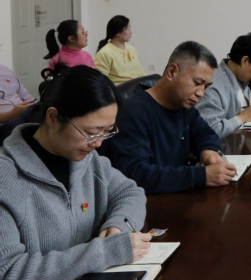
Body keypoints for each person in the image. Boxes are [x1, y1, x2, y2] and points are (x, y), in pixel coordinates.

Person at [0, 65, 151, 280]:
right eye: (91, 132)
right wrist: (104, 252)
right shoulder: (6, 179)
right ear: (53, 117)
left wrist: (118, 227)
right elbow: (9, 271)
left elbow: (130, 192)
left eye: (107, 132)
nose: (98, 143)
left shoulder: (88, 161)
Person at [109, 41, 237, 195]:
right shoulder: (134, 112)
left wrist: (208, 151)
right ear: (172, 72)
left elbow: (205, 133)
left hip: (177, 194)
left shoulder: (183, 106)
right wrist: (201, 176)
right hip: (149, 201)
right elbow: (136, 173)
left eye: (206, 86)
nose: (201, 93)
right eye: (197, 83)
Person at [94, 15, 145, 84]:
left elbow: (141, 72)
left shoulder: (132, 49)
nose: (131, 32)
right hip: (121, 89)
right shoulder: (105, 53)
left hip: (139, 86)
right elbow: (101, 81)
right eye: (128, 29)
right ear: (118, 32)